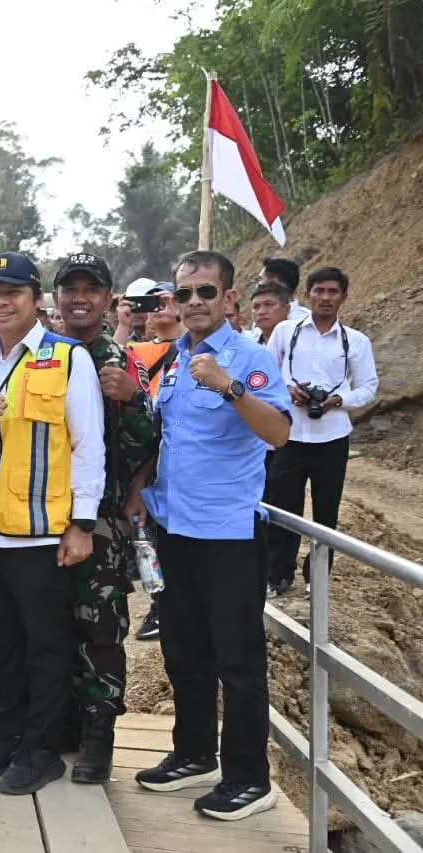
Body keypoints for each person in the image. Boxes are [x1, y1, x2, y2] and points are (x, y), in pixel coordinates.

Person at [131, 250, 291, 821]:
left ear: (229, 299)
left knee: (238, 662)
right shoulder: (173, 360)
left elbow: (278, 434)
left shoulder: (248, 359)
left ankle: (249, 778)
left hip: (227, 533)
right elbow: (166, 439)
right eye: (185, 293)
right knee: (183, 652)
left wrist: (229, 387)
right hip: (174, 529)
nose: (194, 302)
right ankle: (194, 754)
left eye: (206, 292)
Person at [0, 251, 104, 796]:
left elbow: (88, 447)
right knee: (0, 642)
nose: (0, 302)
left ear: (37, 299)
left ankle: (42, 749)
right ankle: (10, 736)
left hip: (40, 531)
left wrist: (82, 524)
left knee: (45, 645)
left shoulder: (67, 358)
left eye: (12, 292)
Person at [51, 253, 158, 784]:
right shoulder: (42, 356)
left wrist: (134, 402)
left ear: (109, 300)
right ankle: (62, 724)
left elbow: (146, 448)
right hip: (45, 518)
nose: (78, 298)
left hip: (103, 522)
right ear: (54, 298)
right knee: (52, 626)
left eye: (90, 289)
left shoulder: (121, 361)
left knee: (100, 629)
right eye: (69, 288)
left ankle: (99, 737)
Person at [265, 267, 378, 597]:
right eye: (319, 291)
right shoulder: (286, 332)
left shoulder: (356, 341)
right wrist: (288, 391)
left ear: (344, 296)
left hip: (332, 437)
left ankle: (317, 575)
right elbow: (266, 374)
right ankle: (278, 575)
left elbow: (369, 386)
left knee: (327, 509)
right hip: (290, 434)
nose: (325, 297)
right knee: (284, 508)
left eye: (333, 292)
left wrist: (339, 400)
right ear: (307, 294)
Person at [116, 279, 182, 642]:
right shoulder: (139, 349)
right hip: (144, 448)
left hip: (174, 452)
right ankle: (158, 603)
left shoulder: (191, 348)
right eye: (148, 303)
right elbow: (110, 362)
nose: (154, 309)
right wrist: (124, 323)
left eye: (162, 301)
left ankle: (168, 608)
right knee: (146, 534)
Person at [259, 257, 310, 324]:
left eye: (260, 279)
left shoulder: (305, 321)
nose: (258, 285)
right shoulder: (261, 318)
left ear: (274, 282)